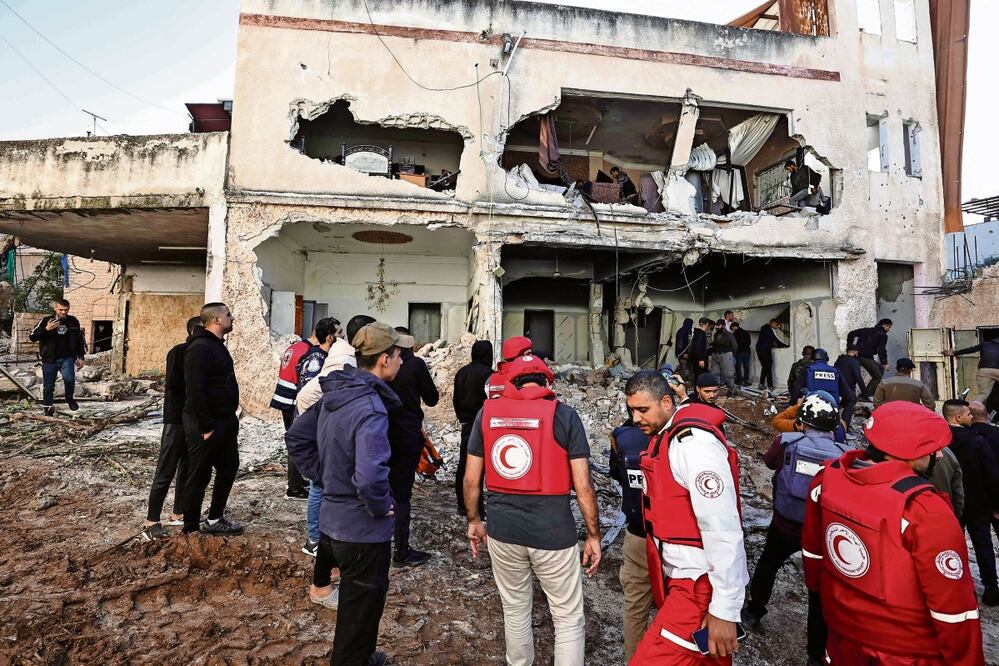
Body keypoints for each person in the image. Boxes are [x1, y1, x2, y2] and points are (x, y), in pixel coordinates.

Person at [802, 401, 985, 664]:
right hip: (907, 651)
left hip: (843, 635)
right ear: (909, 452)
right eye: (934, 449)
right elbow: (953, 610)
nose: (941, 455)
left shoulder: (828, 477)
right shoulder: (925, 510)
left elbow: (813, 553)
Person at [463, 351, 601, 666]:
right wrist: (594, 535)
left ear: (511, 381)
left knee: (514, 609)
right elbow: (583, 486)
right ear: (546, 381)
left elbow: (471, 479)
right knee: (566, 617)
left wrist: (474, 520)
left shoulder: (487, 413)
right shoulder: (565, 416)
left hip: (502, 530)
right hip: (553, 532)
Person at [286, 322, 411, 666]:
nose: (402, 361)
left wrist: (325, 478)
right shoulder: (370, 407)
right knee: (359, 617)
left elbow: (296, 436)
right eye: (400, 355)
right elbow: (371, 477)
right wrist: (380, 505)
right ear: (384, 359)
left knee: (355, 613)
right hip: (362, 533)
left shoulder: (336, 394)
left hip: (332, 522)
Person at [629, 370, 748, 663]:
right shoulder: (666, 439)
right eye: (631, 410)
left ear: (667, 402)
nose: (635, 418)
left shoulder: (692, 444)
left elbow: (722, 526)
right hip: (684, 581)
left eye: (643, 410)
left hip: (697, 586)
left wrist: (725, 608)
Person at [742, 392, 846, 666]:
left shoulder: (788, 441)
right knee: (817, 589)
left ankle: (753, 612)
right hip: (819, 531)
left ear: (803, 420)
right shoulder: (844, 456)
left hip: (785, 522)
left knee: (768, 564)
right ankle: (815, 653)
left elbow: (768, 462)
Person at [295, 315, 362, 557]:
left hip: (328, 434)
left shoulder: (335, 358)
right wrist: (319, 425)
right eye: (339, 331)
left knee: (326, 486)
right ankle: (313, 539)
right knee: (317, 486)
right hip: (322, 436)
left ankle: (325, 536)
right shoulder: (326, 364)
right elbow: (305, 397)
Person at [181, 303, 243, 535]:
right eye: (228, 315)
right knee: (199, 475)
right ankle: (190, 528)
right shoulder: (200, 348)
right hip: (205, 424)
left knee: (229, 468)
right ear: (216, 320)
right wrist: (206, 425)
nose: (232, 317)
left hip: (225, 422)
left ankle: (215, 519)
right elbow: (195, 390)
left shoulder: (216, 346)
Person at [142, 316, 201, 540]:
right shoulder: (179, 352)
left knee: (186, 469)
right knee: (165, 470)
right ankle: (151, 521)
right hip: (176, 420)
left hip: (191, 421)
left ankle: (179, 513)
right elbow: (176, 386)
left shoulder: (198, 353)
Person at [385, 326, 438, 568]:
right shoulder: (415, 365)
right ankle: (402, 550)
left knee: (380, 486)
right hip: (407, 434)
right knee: (402, 492)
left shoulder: (382, 364)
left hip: (381, 432)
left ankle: (378, 541)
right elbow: (432, 398)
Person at [942, 399, 999, 605]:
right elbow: (991, 475)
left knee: (953, 545)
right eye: (968, 414)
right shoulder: (977, 441)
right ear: (958, 417)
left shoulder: (940, 441)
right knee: (983, 544)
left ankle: (959, 588)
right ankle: (991, 588)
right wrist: (996, 504)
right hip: (979, 503)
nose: (971, 417)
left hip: (948, 504)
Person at [609, 417, 653, 660]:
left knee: (635, 606)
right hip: (676, 538)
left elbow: (616, 474)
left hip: (637, 531)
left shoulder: (622, 437)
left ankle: (635, 659)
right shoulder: (678, 438)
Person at [270, 326, 322, 500]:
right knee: (297, 441)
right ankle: (293, 487)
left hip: (283, 397)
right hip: (293, 400)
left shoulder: (295, 346)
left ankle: (296, 481)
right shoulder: (309, 352)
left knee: (293, 438)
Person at [452, 340, 494, 516]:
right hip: (485, 425)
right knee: (482, 467)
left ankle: (463, 504)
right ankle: (478, 508)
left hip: (467, 425)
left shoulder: (461, 373)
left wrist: (462, 417)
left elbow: (456, 399)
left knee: (465, 464)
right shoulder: (491, 375)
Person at [29, 298, 86, 416]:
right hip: (49, 359)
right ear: (55, 308)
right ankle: (48, 409)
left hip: (67, 358)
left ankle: (69, 398)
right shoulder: (46, 320)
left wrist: (81, 357)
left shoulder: (73, 321)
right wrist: (46, 329)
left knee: (69, 379)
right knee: (48, 386)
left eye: (66, 310)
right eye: (61, 310)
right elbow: (32, 336)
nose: (63, 312)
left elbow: (79, 340)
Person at [791, 348, 856, 430]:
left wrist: (792, 406)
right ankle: (844, 427)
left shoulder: (808, 370)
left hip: (812, 410)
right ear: (827, 359)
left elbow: (795, 390)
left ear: (812, 358)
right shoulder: (835, 371)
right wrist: (840, 405)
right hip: (832, 409)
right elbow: (848, 395)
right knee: (852, 397)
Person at [295, 318, 341, 399]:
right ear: (329, 338)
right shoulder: (316, 359)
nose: (343, 335)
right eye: (339, 332)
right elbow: (310, 392)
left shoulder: (321, 354)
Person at [945, 337, 999, 403]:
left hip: (983, 371)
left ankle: (972, 410)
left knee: (983, 394)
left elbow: (970, 349)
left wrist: (955, 353)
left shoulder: (984, 344)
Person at [847, 318, 892, 395]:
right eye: (889, 327)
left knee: (880, 369)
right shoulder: (883, 335)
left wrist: (851, 347)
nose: (889, 330)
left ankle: (869, 393)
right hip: (864, 357)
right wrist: (884, 363)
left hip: (861, 356)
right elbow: (881, 350)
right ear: (884, 326)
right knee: (878, 376)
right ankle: (866, 394)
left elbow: (851, 334)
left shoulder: (866, 330)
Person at [931, 445, 965, 520]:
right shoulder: (946, 451)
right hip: (947, 511)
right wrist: (958, 512)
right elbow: (957, 488)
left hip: (924, 514)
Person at [756, 319, 789, 390]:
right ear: (773, 324)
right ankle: (770, 385)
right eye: (777, 325)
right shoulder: (769, 330)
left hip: (760, 350)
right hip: (764, 351)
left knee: (765, 367)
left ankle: (761, 384)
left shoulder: (765, 329)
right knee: (768, 367)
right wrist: (786, 345)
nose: (778, 327)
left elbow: (771, 340)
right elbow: (776, 340)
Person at [709, 319, 737, 390]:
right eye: (716, 325)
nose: (717, 327)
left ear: (724, 326)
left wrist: (732, 355)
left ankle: (731, 390)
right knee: (714, 373)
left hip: (726, 354)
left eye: (718, 325)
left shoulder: (729, 335)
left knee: (728, 374)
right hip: (716, 355)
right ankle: (716, 389)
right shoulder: (716, 334)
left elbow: (734, 346)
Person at [731, 322, 752, 387]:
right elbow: (749, 342)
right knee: (746, 367)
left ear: (734, 327)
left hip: (739, 352)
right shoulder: (746, 332)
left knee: (738, 367)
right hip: (747, 351)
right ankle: (746, 381)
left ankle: (739, 381)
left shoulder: (735, 334)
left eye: (732, 329)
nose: (732, 330)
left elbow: (734, 344)